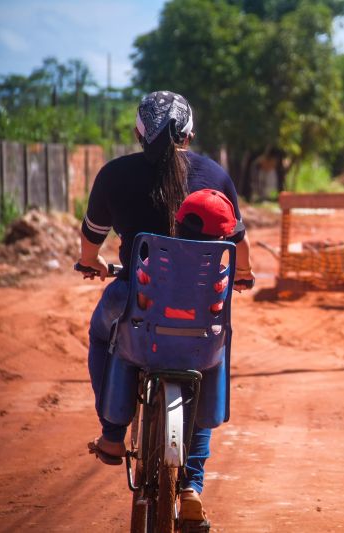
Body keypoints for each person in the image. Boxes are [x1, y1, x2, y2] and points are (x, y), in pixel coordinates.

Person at [78, 91, 254, 526]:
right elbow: (239, 244)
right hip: (201, 314)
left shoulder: (115, 175)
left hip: (138, 306)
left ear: (139, 133)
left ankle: (113, 434)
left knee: (104, 334)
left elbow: (91, 240)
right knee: (212, 355)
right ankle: (192, 484)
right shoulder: (215, 174)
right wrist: (244, 275)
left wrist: (90, 263)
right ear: (189, 134)